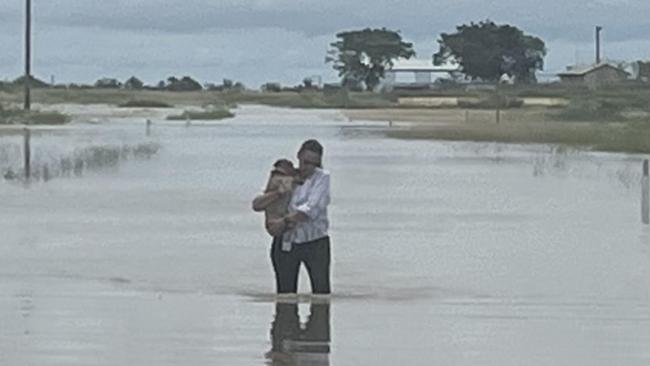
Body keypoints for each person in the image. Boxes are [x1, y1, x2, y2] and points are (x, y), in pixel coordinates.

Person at [252, 139, 331, 295]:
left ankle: (320, 319)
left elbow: (310, 209)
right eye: (305, 162)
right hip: (286, 243)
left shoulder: (322, 178)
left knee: (321, 295)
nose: (307, 167)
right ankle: (284, 319)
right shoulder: (285, 178)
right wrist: (279, 192)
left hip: (315, 243)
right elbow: (257, 205)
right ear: (299, 157)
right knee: (285, 295)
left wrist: (284, 222)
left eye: (313, 164)